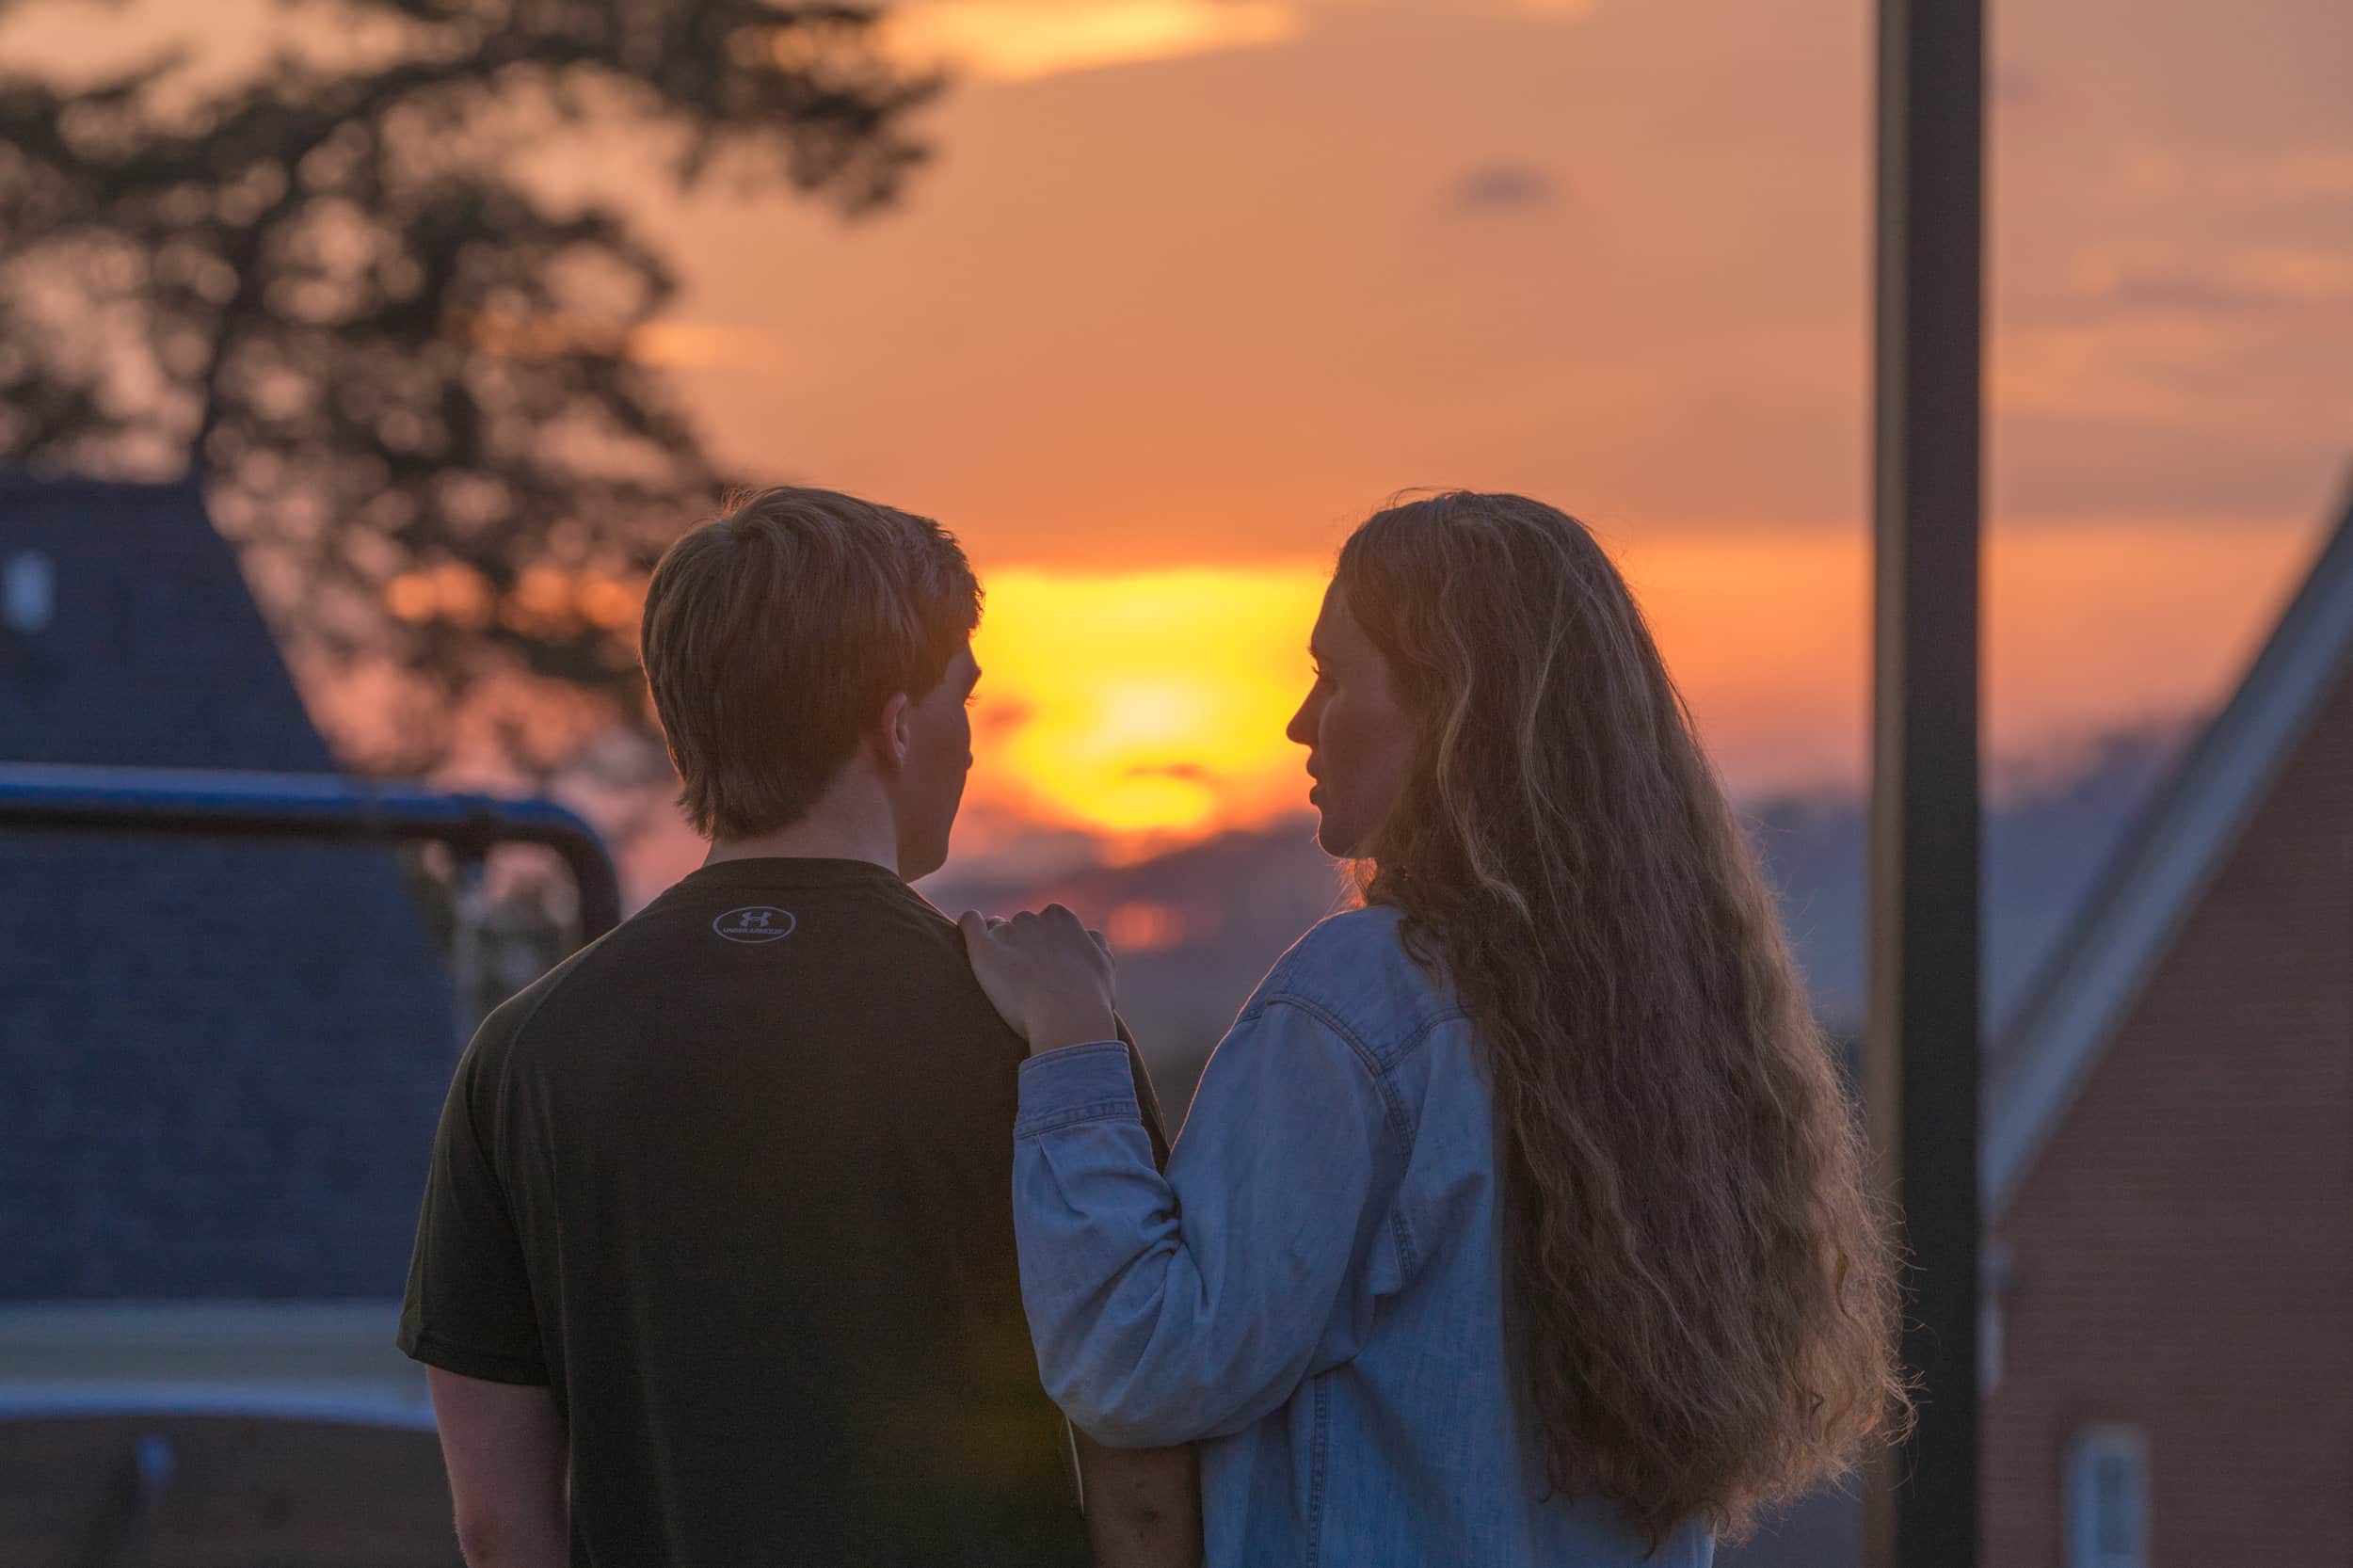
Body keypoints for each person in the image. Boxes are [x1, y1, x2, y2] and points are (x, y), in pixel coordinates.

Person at [963, 491, 1906, 1567]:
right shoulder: (1670, 1028)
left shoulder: (1366, 1002)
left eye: (1332, 677)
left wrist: (1074, 1043)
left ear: (1451, 711)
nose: (1298, 723)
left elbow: (1148, 1364)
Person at [399, 487, 1199, 1568]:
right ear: (897, 723)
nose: (966, 747)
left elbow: (500, 1524)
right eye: (960, 698)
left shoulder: (524, 1053)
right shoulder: (1048, 1040)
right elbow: (1142, 1486)